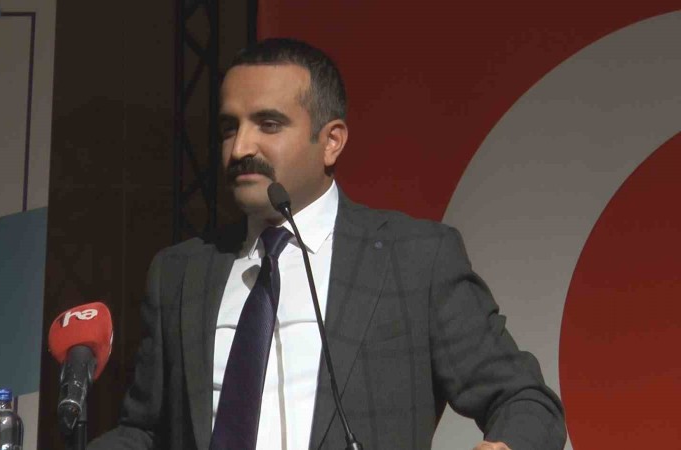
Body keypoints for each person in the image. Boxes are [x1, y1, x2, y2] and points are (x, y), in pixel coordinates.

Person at [89, 38, 566, 450]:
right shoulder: (180, 272)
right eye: (229, 127)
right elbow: (145, 430)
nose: (240, 148)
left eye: (268, 124)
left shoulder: (415, 259)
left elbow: (525, 401)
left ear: (332, 141)